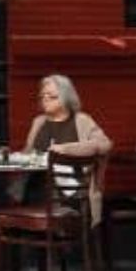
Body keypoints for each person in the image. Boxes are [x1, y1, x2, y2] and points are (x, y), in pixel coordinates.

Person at [20, 74, 112, 221]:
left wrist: (65, 149)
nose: (45, 99)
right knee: (22, 193)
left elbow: (104, 145)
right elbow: (29, 153)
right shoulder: (38, 122)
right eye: (42, 95)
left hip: (72, 192)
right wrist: (19, 156)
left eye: (51, 96)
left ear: (65, 97)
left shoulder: (82, 120)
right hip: (37, 187)